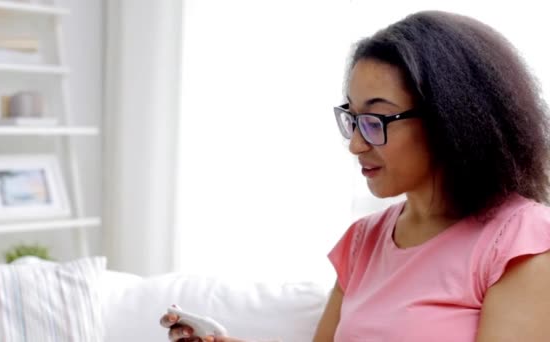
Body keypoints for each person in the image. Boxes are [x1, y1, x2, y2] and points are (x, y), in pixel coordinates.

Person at [160, 10, 550, 341]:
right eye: (353, 119)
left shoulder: (520, 242)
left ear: (450, 120)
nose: (356, 145)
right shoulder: (364, 241)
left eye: (376, 120)